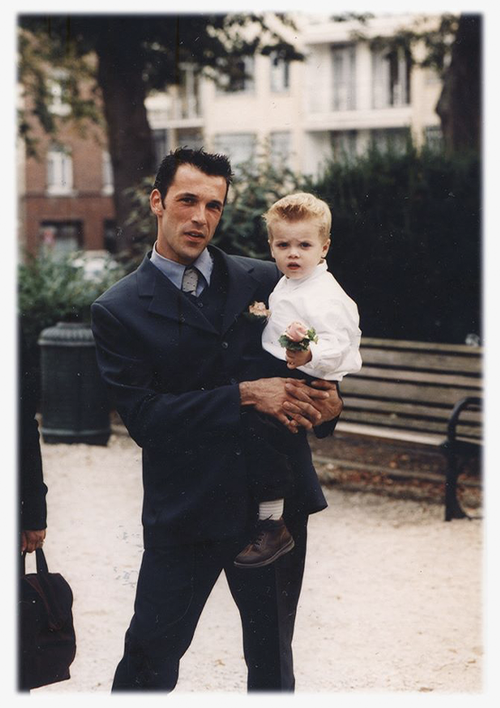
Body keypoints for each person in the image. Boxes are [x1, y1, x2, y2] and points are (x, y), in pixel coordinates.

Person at [91, 147, 343, 692]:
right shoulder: (118, 308)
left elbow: (314, 357)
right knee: (148, 662)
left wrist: (330, 405)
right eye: (187, 201)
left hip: (272, 513)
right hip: (187, 508)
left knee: (272, 667)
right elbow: (145, 418)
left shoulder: (266, 281)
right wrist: (246, 395)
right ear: (158, 202)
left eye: (214, 205)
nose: (200, 217)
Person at [233, 192, 361, 569]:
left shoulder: (324, 294)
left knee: (263, 430)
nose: (293, 253)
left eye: (304, 245)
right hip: (283, 369)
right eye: (283, 244)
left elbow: (342, 342)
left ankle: (272, 522)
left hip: (306, 376)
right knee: (259, 431)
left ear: (324, 248)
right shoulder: (289, 283)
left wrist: (310, 355)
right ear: (270, 247)